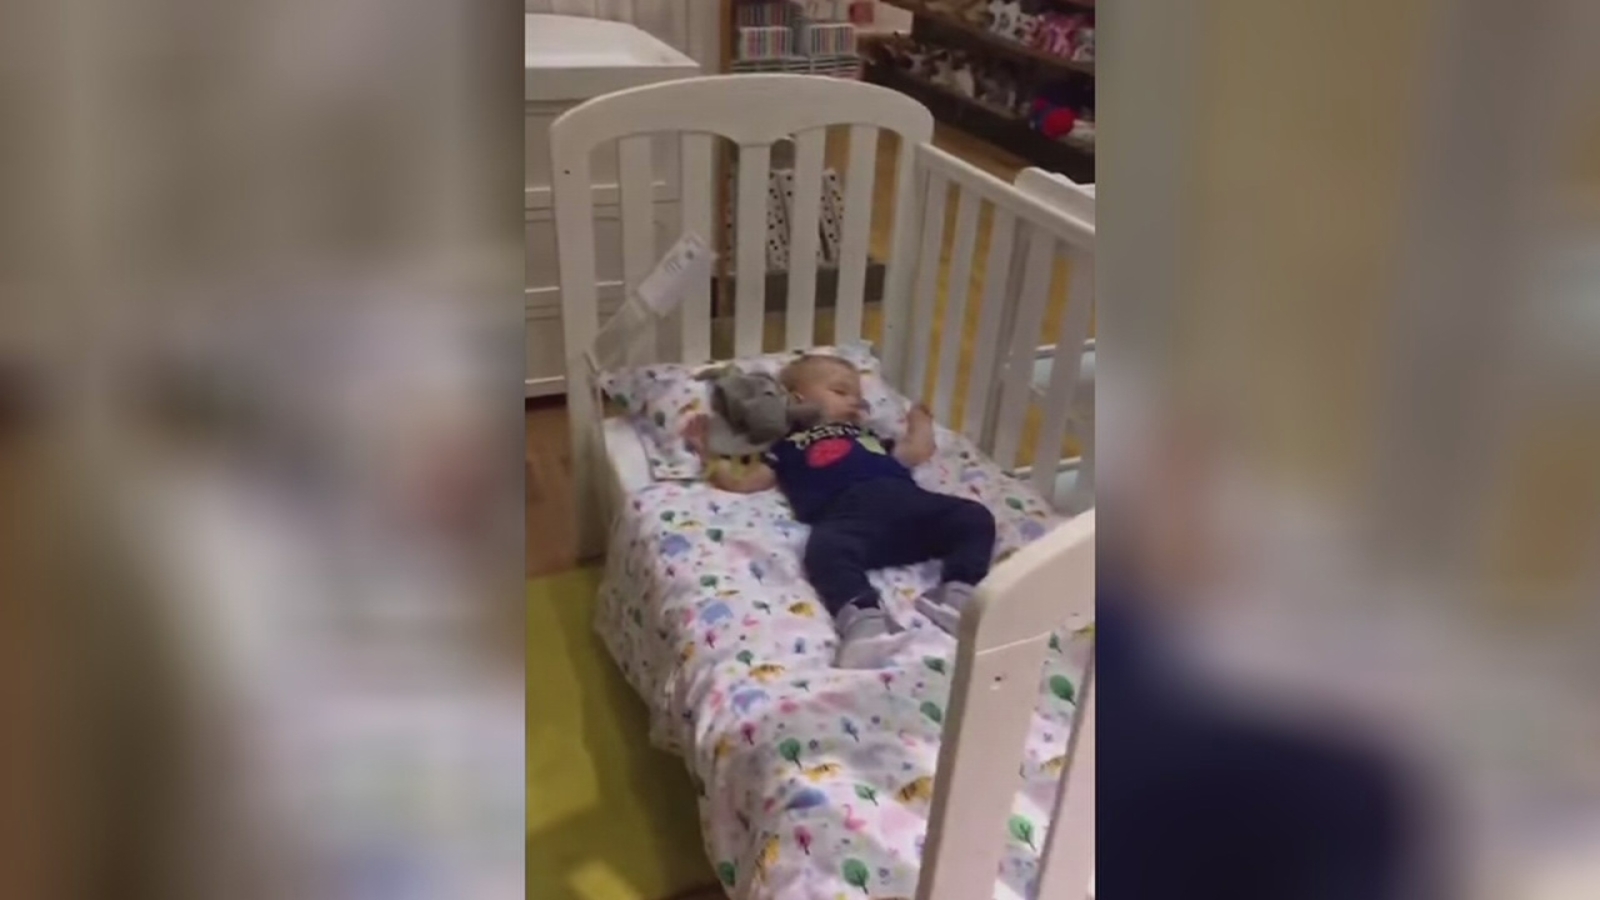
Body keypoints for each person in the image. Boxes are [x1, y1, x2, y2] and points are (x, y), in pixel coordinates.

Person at [684, 354, 995, 668]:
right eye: (841, 392)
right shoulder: (786, 446)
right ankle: (864, 621)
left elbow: (917, 450)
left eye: (859, 397)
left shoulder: (867, 436)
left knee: (973, 516)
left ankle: (958, 595)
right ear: (798, 400)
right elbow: (744, 482)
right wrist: (706, 452)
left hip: (905, 503)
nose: (855, 402)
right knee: (825, 549)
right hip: (847, 515)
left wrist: (920, 421)